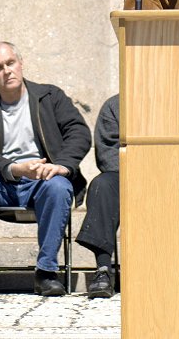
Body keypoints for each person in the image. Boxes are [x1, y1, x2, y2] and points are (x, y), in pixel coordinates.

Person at [0, 41, 91, 297]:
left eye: (11, 63)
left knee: (60, 186)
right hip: (3, 181)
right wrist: (15, 168)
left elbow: (79, 132)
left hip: (43, 179)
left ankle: (46, 273)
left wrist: (62, 165)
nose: (7, 71)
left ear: (21, 63)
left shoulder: (50, 97)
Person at [76, 94, 119, 298]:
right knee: (102, 185)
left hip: (173, 174)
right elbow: (107, 155)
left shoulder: (177, 99)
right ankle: (103, 270)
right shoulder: (115, 105)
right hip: (126, 175)